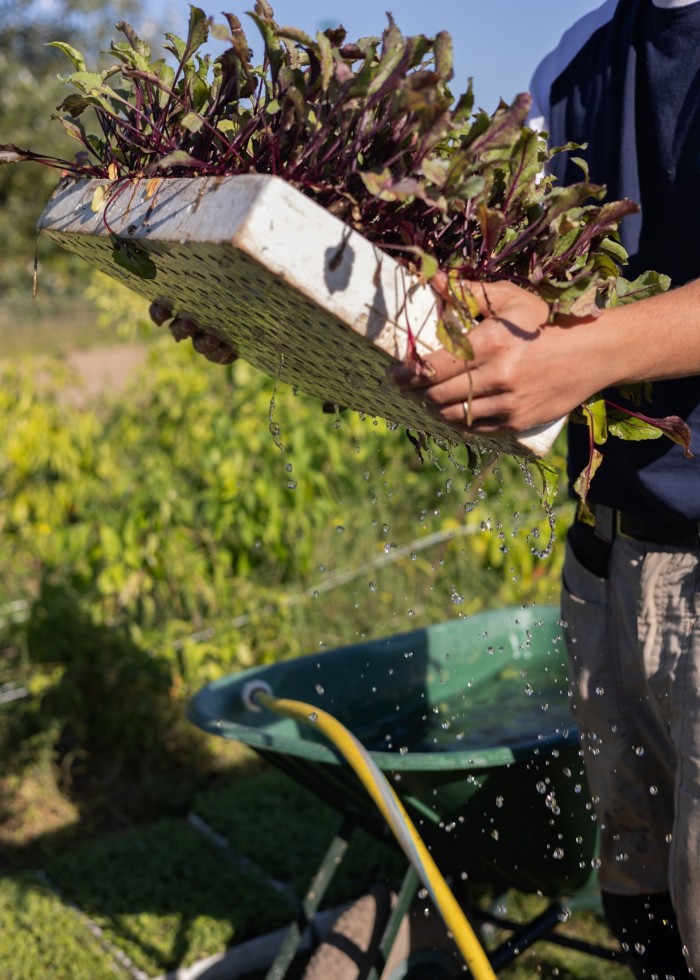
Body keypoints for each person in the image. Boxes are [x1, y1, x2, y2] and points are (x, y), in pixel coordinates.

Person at [151, 1, 700, 974]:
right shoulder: (576, 65)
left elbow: (573, 338)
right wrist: (265, 289)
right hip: (605, 556)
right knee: (640, 880)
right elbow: (487, 268)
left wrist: (585, 355)